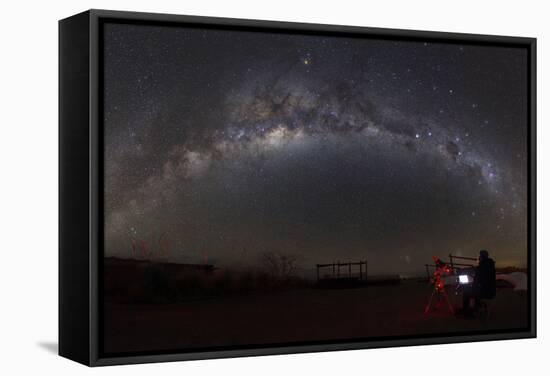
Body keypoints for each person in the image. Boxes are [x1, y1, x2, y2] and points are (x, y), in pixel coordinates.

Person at [460, 250, 496, 317]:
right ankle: (475, 308)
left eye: (479, 256)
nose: (478, 257)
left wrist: (462, 271)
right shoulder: (490, 265)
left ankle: (466, 312)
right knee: (475, 290)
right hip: (490, 291)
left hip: (484, 291)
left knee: (466, 293)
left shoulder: (482, 266)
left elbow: (477, 278)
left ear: (481, 257)